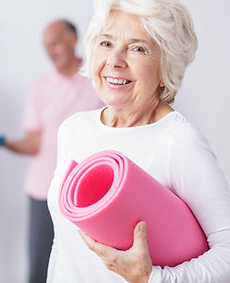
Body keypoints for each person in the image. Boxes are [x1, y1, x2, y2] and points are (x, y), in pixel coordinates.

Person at [46, 0, 230, 282]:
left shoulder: (178, 141)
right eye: (106, 43)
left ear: (166, 65)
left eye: (137, 48)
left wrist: (151, 279)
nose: (115, 61)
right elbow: (65, 244)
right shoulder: (74, 129)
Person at [0, 19, 104, 283]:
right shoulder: (40, 87)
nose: (50, 51)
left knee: (91, 265)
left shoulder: (99, 78)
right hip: (43, 192)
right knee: (39, 266)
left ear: (73, 40)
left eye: (55, 43)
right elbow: (33, 143)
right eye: (46, 46)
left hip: (89, 192)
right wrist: (3, 142)